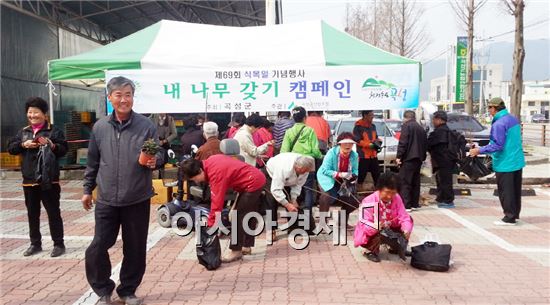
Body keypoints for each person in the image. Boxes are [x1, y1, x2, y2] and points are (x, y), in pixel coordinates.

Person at [81, 76, 164, 305]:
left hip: (136, 197)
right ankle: (103, 289)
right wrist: (88, 189)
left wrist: (154, 160)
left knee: (135, 248)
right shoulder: (99, 127)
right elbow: (92, 163)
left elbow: (159, 154)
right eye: (118, 95)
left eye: (128, 95)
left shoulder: (146, 126)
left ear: (133, 98)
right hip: (107, 199)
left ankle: (128, 290)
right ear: (110, 98)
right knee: (98, 246)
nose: (124, 99)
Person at [7, 97, 68, 257]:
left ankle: (59, 244)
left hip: (49, 179)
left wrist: (51, 144)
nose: (32, 115)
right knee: (32, 214)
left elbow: (63, 149)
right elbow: (11, 148)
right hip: (29, 180)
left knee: (53, 212)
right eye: (30, 112)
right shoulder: (23, 132)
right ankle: (35, 244)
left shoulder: (54, 130)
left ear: (44, 114)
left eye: (36, 112)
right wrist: (23, 145)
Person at [180, 155, 266, 263]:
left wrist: (211, 226)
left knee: (237, 215)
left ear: (200, 170)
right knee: (248, 213)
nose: (197, 182)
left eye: (195, 179)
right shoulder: (210, 161)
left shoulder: (215, 173)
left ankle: (236, 251)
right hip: (254, 178)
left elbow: (217, 203)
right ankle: (246, 246)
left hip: (252, 182)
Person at [470, 97, 525, 225]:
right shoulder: (513, 119)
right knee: (515, 190)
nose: (489, 111)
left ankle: (509, 217)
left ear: (494, 108)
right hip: (517, 160)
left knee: (506, 191)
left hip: (505, 162)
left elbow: (497, 145)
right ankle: (514, 214)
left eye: (489, 108)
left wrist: (479, 150)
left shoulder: (499, 123)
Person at [353, 172, 413, 263]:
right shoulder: (369, 200)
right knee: (378, 231)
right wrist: (375, 226)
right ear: (380, 189)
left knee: (409, 220)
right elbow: (363, 223)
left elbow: (404, 217)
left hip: (389, 228)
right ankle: (370, 251)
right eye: (387, 192)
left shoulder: (397, 198)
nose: (389, 196)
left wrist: (406, 229)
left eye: (393, 193)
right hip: (374, 231)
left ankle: (397, 247)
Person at [262, 153, 315, 239]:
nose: (305, 173)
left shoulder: (305, 169)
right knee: (271, 201)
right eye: (303, 171)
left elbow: (298, 184)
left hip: (289, 180)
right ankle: (271, 230)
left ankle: (293, 227)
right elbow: (276, 190)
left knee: (294, 204)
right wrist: (286, 204)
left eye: (306, 171)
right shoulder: (284, 168)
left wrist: (293, 199)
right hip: (271, 175)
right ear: (297, 167)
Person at [281, 107, 323, 213]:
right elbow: (315, 150)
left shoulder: (289, 132)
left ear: (293, 118)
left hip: (294, 164)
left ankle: (295, 214)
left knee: (293, 188)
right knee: (308, 189)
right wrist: (320, 156)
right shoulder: (310, 131)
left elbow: (284, 151)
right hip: (308, 163)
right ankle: (308, 216)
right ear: (305, 118)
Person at [317, 132, 359, 228]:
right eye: (345, 143)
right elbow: (324, 170)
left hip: (344, 179)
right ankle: (322, 223)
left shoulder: (354, 155)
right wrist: (339, 174)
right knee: (326, 196)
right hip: (327, 177)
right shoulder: (331, 153)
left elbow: (355, 170)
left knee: (353, 201)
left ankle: (342, 221)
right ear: (340, 144)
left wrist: (352, 176)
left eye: (350, 143)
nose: (348, 145)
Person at [396, 110, 427, 212]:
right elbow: (424, 144)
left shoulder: (406, 126)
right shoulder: (420, 128)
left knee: (405, 181)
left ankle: (406, 205)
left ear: (405, 118)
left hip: (408, 157)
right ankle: (414, 204)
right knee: (415, 181)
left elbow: (403, 142)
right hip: (419, 158)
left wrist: (399, 156)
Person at [427, 111, 456, 208]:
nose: (433, 121)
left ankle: (448, 201)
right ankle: (442, 199)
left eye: (434, 119)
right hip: (447, 161)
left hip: (444, 160)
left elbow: (430, 144)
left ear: (439, 120)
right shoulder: (446, 130)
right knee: (443, 181)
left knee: (445, 181)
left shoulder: (440, 132)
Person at [353, 110, 381, 188]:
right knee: (361, 176)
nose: (372, 117)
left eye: (373, 115)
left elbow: (376, 137)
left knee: (377, 176)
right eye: (370, 115)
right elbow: (357, 140)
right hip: (363, 156)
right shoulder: (358, 127)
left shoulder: (373, 126)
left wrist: (378, 142)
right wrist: (369, 145)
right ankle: (358, 192)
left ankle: (378, 192)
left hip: (373, 155)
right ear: (365, 115)